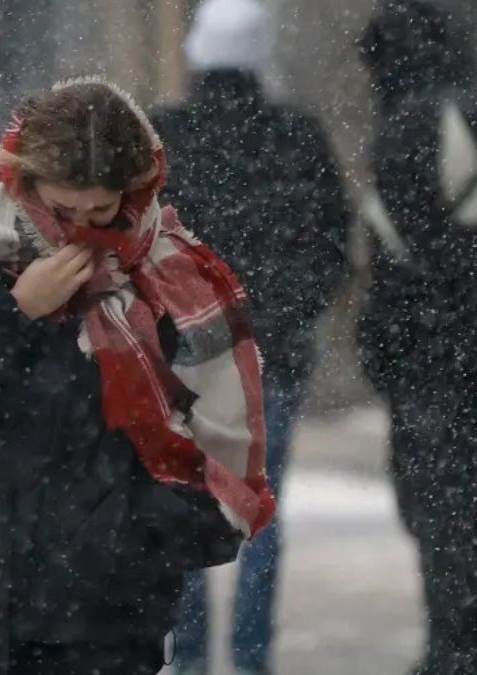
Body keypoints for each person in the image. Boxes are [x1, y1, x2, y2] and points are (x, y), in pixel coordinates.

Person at [0, 78, 276, 674]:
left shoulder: (171, 272)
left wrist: (129, 544)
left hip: (100, 626)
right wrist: (7, 309)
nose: (79, 229)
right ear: (20, 182)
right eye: (61, 209)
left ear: (134, 194)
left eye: (100, 212)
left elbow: (222, 460)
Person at [151, 1, 352, 672]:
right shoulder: (298, 138)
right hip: (270, 355)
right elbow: (330, 245)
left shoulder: (162, 138)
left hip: (181, 358)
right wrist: (285, 316)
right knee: (258, 516)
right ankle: (251, 657)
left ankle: (190, 657)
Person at [356, 2, 477, 673]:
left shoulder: (411, 126)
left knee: (439, 514)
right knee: (476, 511)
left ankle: (453, 653)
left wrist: (385, 352)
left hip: (430, 361)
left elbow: (402, 262)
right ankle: (473, 650)